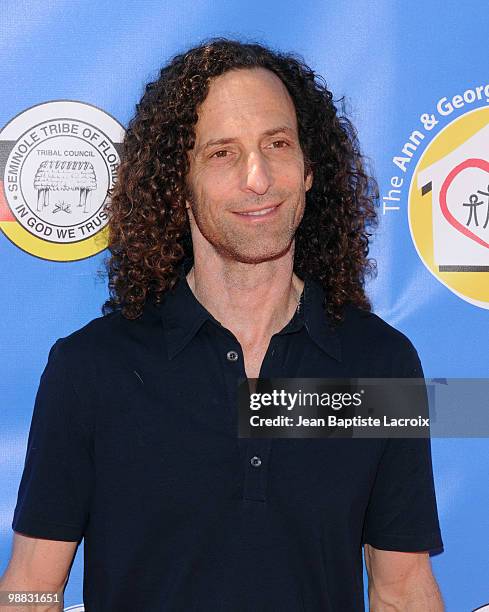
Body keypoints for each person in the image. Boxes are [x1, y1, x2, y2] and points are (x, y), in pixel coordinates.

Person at [0, 38, 444, 611]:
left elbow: (402, 590)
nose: (257, 178)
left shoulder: (379, 364)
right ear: (176, 181)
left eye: (277, 144)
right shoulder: (92, 368)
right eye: (222, 154)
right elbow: (32, 585)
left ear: (310, 168)